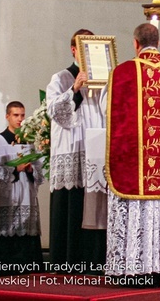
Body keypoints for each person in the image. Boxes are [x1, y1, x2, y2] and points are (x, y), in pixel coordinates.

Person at [104, 23, 160, 286]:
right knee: (158, 210)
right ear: (159, 42)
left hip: (132, 159)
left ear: (135, 43)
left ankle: (130, 268)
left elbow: (107, 109)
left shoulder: (122, 73)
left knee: (134, 211)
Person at [47, 29, 107, 266]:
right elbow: (57, 114)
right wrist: (74, 90)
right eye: (85, 47)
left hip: (96, 150)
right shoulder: (61, 77)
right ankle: (68, 260)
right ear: (74, 50)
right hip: (72, 149)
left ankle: (93, 259)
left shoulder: (103, 79)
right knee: (73, 205)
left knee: (95, 206)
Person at [0, 101, 44, 271]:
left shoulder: (31, 142)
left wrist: (32, 169)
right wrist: (14, 169)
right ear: (7, 116)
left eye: (22, 115)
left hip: (27, 198)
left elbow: (40, 174)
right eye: (16, 115)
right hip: (6, 200)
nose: (20, 119)